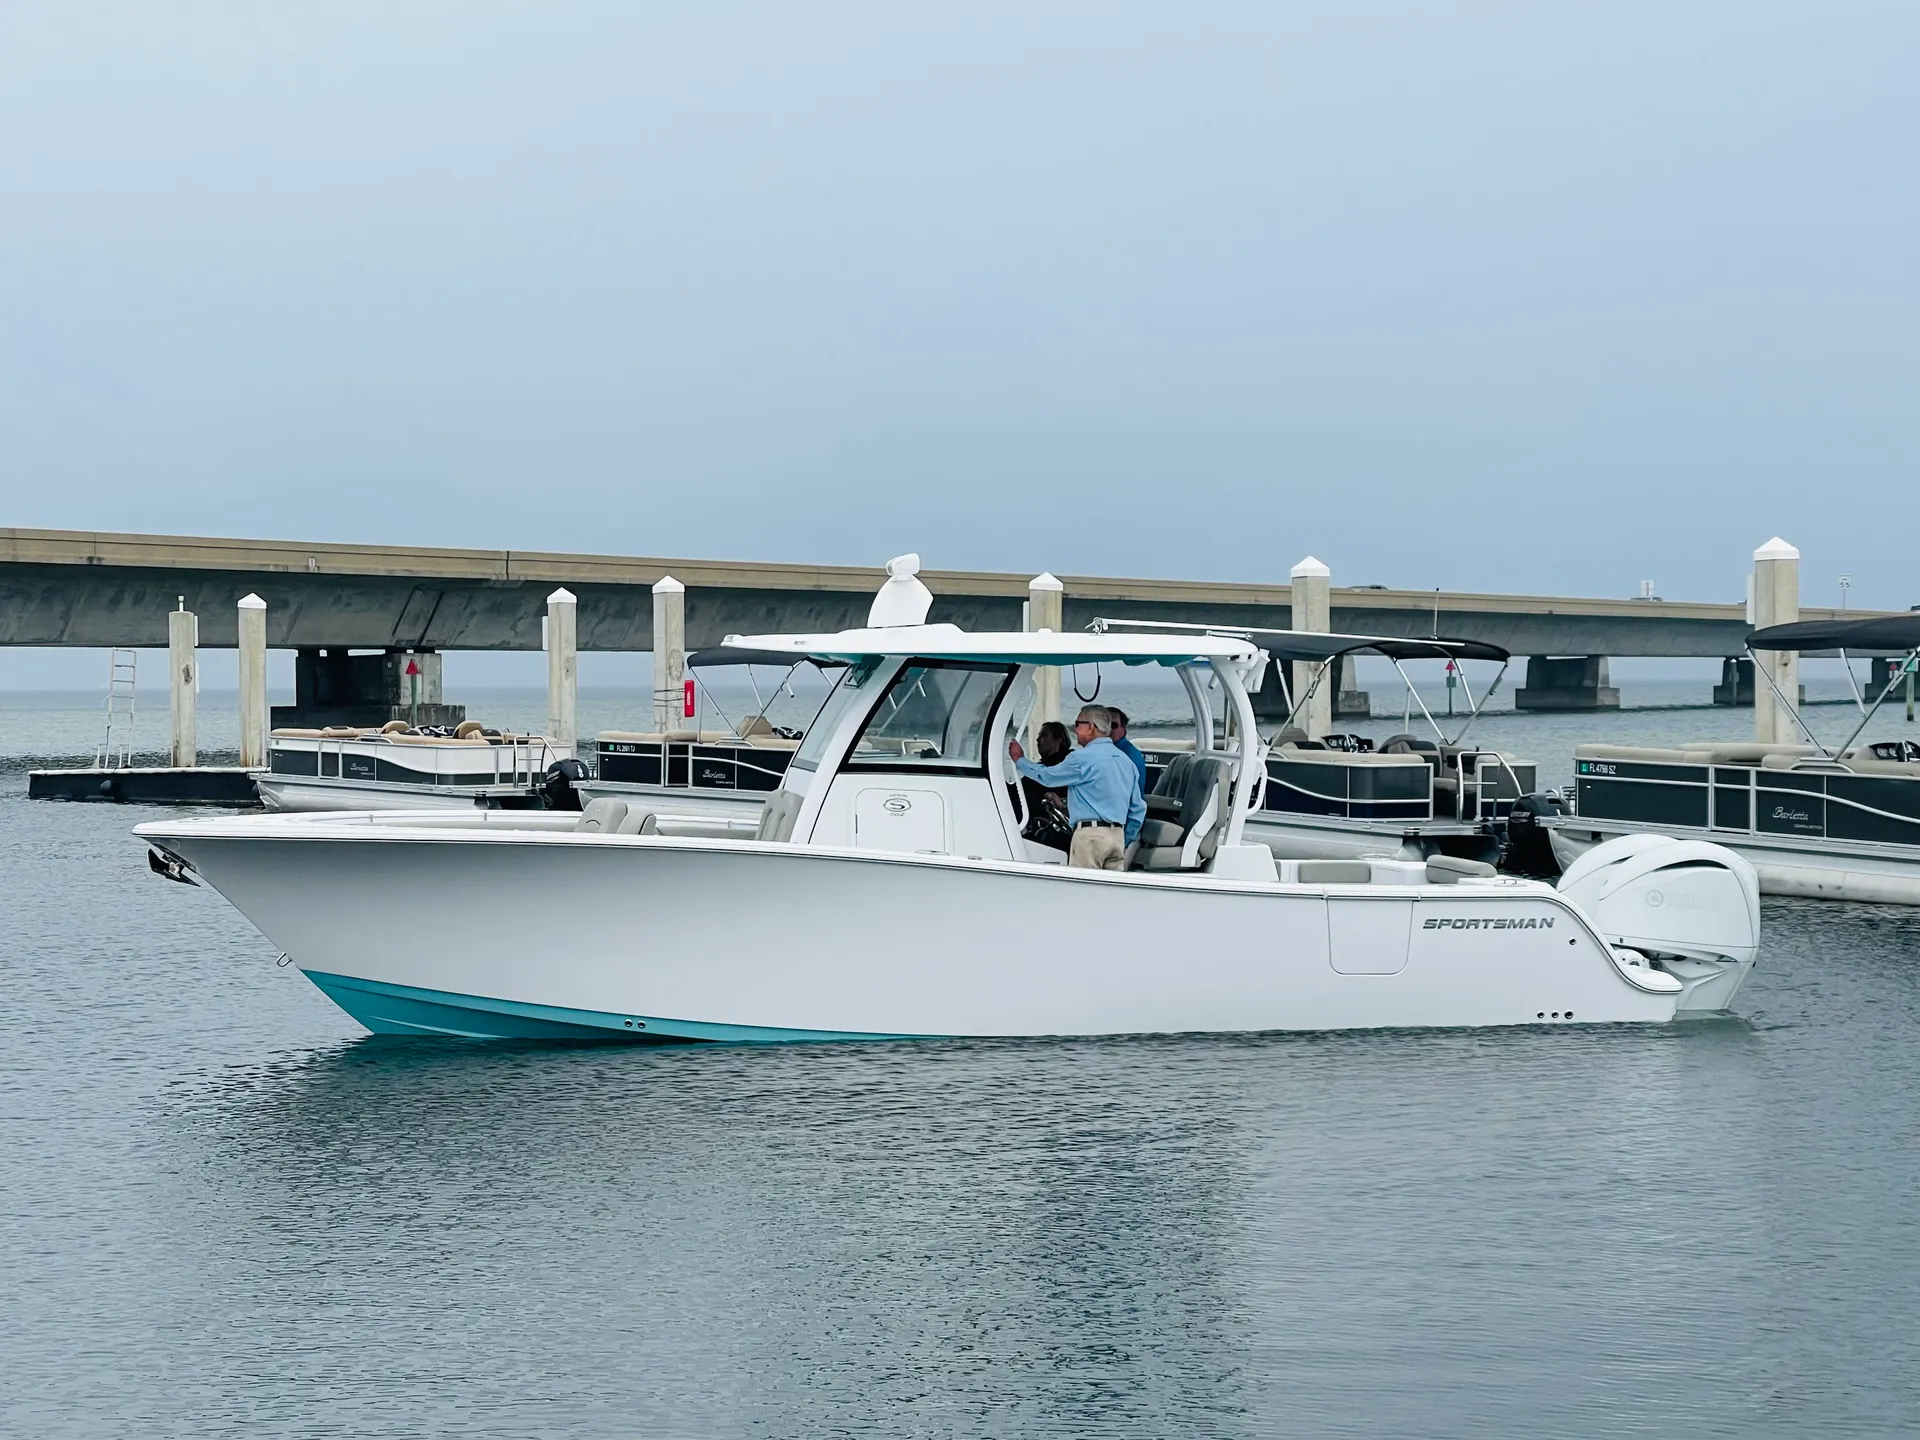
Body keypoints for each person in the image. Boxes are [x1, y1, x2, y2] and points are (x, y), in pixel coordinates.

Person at [1009, 704, 1145, 870]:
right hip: (1117, 837)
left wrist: (1020, 761)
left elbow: (1047, 777)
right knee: (1110, 893)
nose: (1074, 729)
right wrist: (1125, 837)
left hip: (1090, 836)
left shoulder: (1081, 758)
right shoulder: (1126, 762)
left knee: (1084, 892)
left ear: (1090, 727)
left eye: (1078, 724)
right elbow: (1138, 809)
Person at [1019, 721, 1074, 849]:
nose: (1038, 739)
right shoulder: (1040, 768)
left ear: (1059, 740)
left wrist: (1019, 760)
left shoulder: (1067, 766)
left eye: (1044, 736)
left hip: (1058, 833)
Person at [1107, 706, 1149, 793]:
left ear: (1124, 727)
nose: (1108, 729)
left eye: (1113, 725)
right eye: (1104, 725)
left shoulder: (1129, 757)